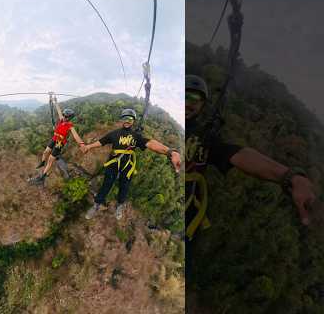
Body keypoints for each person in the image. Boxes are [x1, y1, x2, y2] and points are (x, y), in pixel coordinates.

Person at [184, 74, 316, 279]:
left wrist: (290, 176)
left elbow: (240, 155)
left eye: (194, 99)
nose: (187, 103)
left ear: (202, 105)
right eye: (183, 95)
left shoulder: (203, 139)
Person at [82, 108, 181, 220]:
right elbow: (101, 142)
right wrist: (88, 146)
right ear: (121, 119)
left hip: (127, 165)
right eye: (125, 118)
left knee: (124, 187)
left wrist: (169, 152)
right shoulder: (114, 134)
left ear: (133, 121)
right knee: (106, 184)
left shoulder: (136, 136)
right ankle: (96, 205)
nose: (127, 121)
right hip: (113, 162)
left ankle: (119, 205)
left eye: (130, 119)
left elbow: (151, 143)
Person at [30, 95, 85, 185]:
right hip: (54, 138)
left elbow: (76, 136)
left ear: (69, 118)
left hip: (59, 143)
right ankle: (42, 163)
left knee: (51, 160)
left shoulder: (70, 126)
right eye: (63, 115)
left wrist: (81, 143)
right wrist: (55, 101)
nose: (63, 116)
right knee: (45, 152)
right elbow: (59, 111)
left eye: (65, 116)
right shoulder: (62, 120)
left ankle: (42, 178)